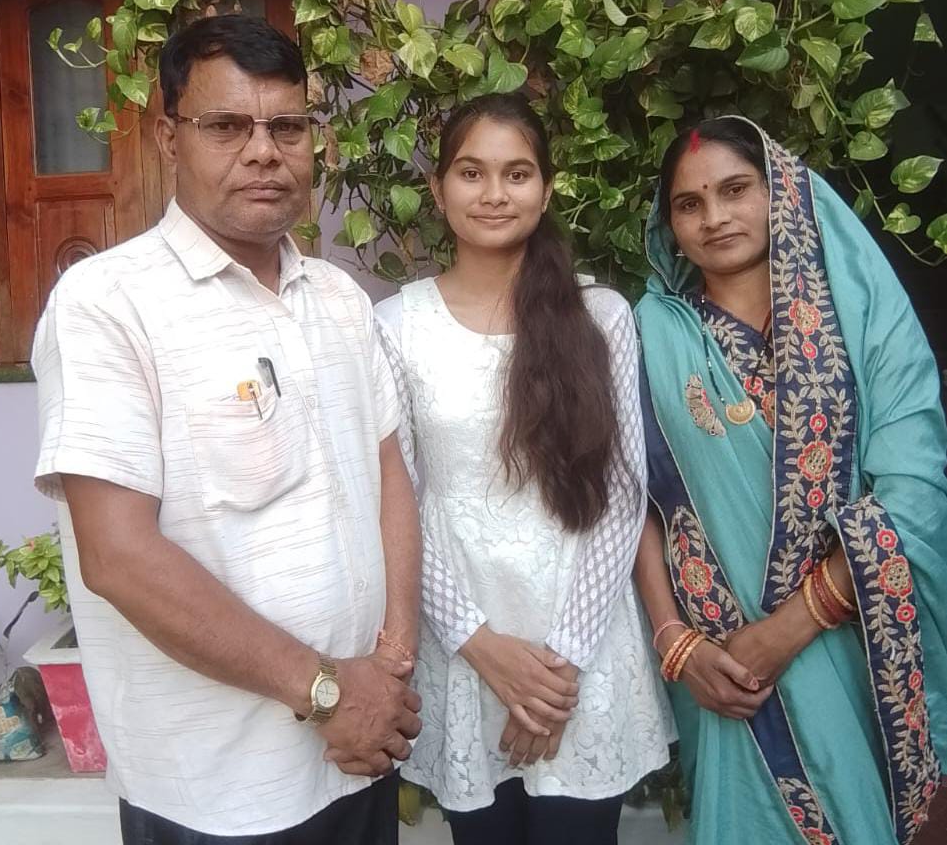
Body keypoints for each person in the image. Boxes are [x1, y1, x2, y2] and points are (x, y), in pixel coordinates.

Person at [31, 15, 422, 845]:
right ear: (169, 138)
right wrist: (326, 691)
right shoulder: (108, 304)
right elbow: (119, 558)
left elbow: (387, 472)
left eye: (287, 127)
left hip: (357, 751)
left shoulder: (340, 301)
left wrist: (389, 664)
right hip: (216, 790)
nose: (263, 152)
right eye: (226, 126)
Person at [632, 115, 947, 844]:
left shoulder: (862, 319)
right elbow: (633, 501)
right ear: (668, 224)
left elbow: (914, 490)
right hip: (723, 670)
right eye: (688, 203)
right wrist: (676, 641)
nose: (714, 217)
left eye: (735, 189)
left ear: (781, 194)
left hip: (854, 649)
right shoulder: (651, 333)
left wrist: (794, 623)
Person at [374, 93, 673, 845]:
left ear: (545, 189)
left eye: (517, 173)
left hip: (581, 645)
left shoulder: (600, 315)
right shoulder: (396, 325)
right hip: (464, 642)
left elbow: (622, 494)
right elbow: (402, 499)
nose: (494, 193)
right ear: (439, 188)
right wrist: (479, 645)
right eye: (471, 172)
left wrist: (560, 665)